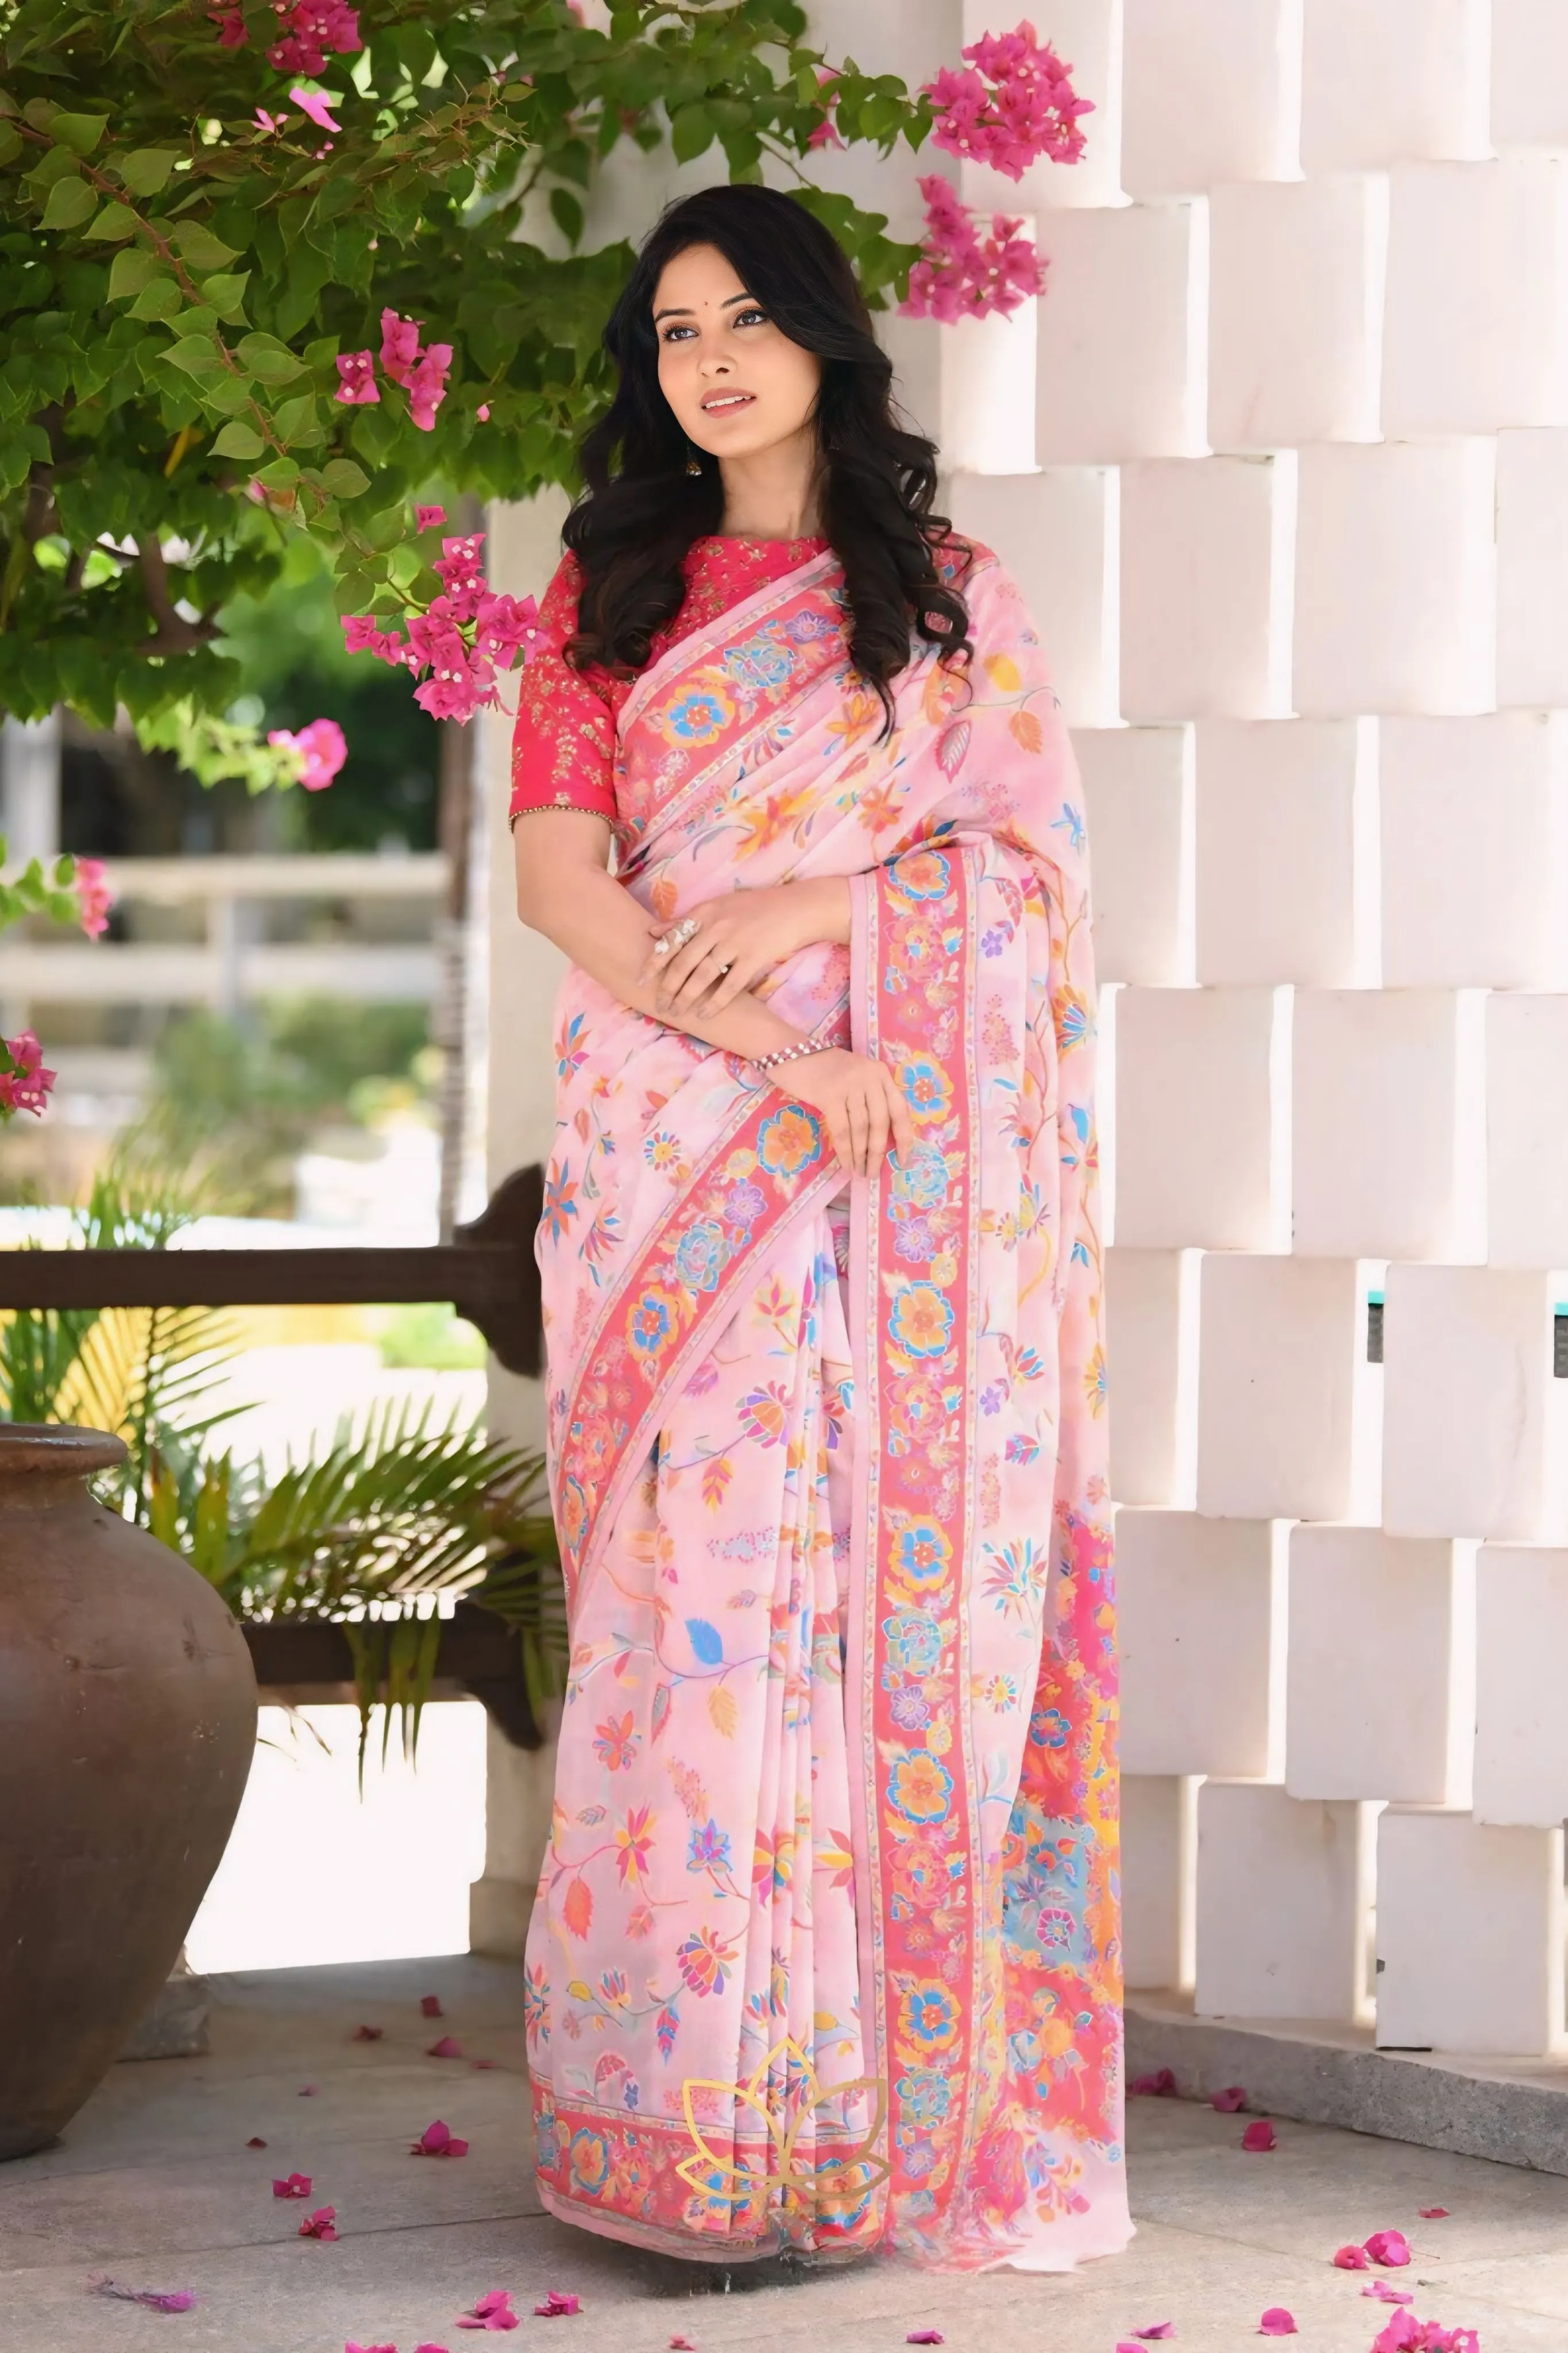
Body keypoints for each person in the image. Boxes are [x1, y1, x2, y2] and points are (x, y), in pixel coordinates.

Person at [509, 182, 1129, 2274]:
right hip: (679, 1153)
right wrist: (775, 1048)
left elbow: (1031, 902)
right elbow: (567, 892)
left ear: (827, 342)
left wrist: (834, 915)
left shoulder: (950, 609)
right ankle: (677, 2126)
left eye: (744, 317)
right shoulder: (604, 604)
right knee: (690, 1613)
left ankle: (842, 2134)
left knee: (849, 1597)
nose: (706, 357)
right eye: (672, 328)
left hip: (884, 1196)